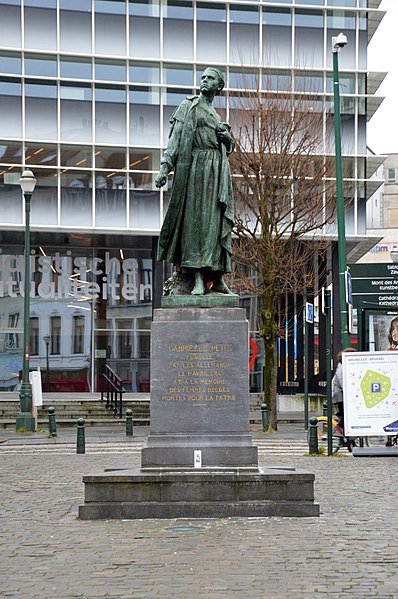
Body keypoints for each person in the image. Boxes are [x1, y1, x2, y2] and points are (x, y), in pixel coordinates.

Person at [155, 67, 236, 296]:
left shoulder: (217, 116)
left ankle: (218, 277)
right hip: (196, 171)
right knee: (196, 226)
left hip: (217, 173)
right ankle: (198, 278)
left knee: (215, 224)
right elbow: (175, 141)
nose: (204, 81)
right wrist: (164, 169)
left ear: (219, 86)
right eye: (203, 77)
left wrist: (227, 139)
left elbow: (228, 146)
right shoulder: (188, 107)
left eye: (210, 78)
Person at [332, 347, 357, 443]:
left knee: (348, 417)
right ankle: (339, 427)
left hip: (341, 394)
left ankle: (350, 442)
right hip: (339, 396)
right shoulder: (342, 368)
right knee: (346, 415)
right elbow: (343, 383)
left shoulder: (344, 366)